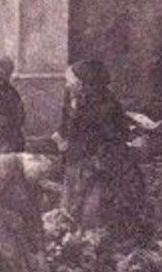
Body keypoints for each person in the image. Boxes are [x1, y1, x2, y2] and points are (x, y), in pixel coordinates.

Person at [57, 59, 149, 247]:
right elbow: (66, 129)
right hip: (79, 161)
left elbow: (112, 138)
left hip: (103, 165)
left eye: (71, 80)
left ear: (84, 82)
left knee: (95, 215)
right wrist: (62, 137)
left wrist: (79, 148)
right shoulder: (74, 98)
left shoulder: (105, 105)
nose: (67, 84)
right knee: (72, 210)